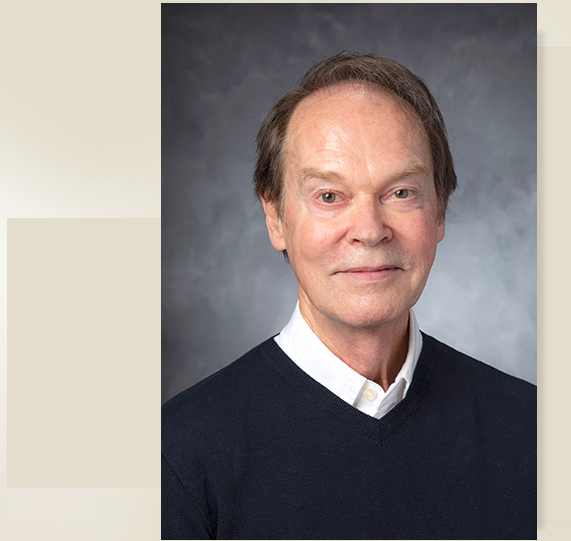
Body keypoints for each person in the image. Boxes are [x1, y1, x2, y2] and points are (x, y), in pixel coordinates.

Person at [161, 52, 536, 540]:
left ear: (440, 211)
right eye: (329, 196)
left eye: (400, 192)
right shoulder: (177, 455)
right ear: (275, 218)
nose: (370, 230)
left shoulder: (534, 433)